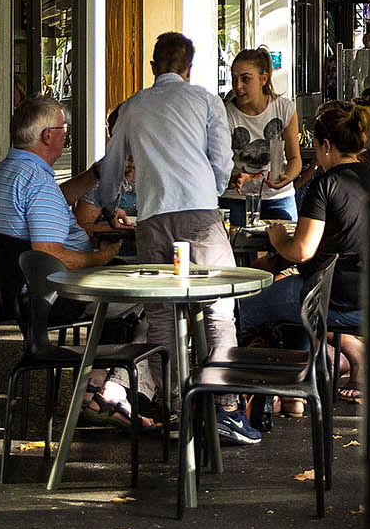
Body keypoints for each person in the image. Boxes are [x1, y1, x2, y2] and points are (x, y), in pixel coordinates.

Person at [95, 31, 259, 444]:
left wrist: (109, 204)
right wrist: (209, 191)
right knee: (218, 308)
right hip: (200, 214)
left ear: (153, 66)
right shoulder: (204, 100)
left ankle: (174, 408)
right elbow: (221, 160)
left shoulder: (133, 106)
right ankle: (224, 408)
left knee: (162, 315)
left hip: (152, 217)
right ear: (189, 68)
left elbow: (111, 166)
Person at [0, 96, 143, 422]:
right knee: (142, 296)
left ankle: (104, 386)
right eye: (64, 130)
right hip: (51, 297)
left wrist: (96, 173)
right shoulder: (37, 183)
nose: (66, 136)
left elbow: (57, 199)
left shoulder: (6, 172)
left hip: (14, 293)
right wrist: (100, 257)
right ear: (48, 136)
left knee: (124, 282)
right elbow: (50, 254)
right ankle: (99, 390)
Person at [237, 100, 370, 409]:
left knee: (239, 310)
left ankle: (255, 396)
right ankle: (299, 388)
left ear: (326, 145)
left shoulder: (326, 184)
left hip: (331, 298)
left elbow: (301, 251)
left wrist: (277, 239)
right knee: (288, 300)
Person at [223, 47, 303, 225]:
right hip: (236, 198)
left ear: (263, 79)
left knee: (286, 241)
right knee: (238, 242)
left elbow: (295, 158)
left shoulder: (283, 108)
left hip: (278, 196)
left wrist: (287, 177)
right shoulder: (226, 113)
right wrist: (231, 179)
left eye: (245, 79)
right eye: (234, 79)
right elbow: (218, 162)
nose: (238, 86)